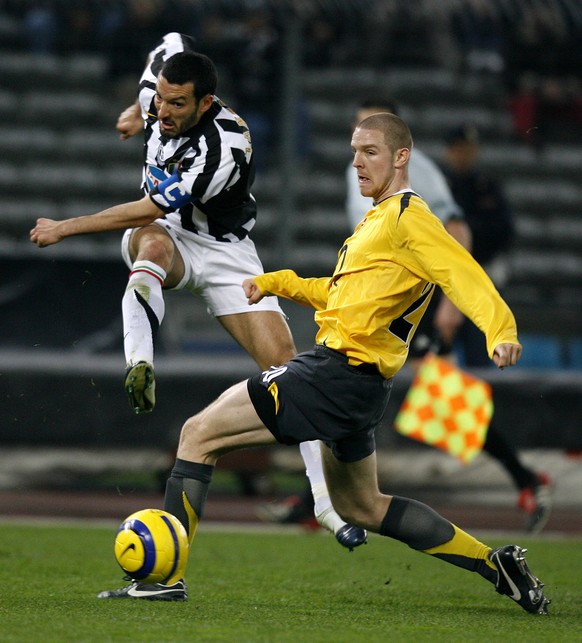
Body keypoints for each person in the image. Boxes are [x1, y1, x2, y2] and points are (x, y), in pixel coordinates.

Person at [96, 112, 550, 615]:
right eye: (354, 151)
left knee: (198, 435)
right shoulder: (378, 221)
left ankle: (165, 578)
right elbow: (340, 294)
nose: (357, 162)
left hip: (332, 374)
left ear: (403, 158)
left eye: (371, 151)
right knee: (364, 506)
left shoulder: (408, 218)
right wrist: (276, 283)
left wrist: (500, 329)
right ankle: (495, 563)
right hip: (358, 387)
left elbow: (462, 271)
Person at [29, 32, 364, 550]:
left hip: (227, 253)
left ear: (206, 102)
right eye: (159, 98)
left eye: (177, 103)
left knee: (287, 369)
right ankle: (139, 363)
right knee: (152, 250)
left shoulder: (224, 145)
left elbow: (149, 204)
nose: (163, 111)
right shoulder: (160, 97)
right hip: (172, 238)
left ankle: (324, 503)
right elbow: (168, 40)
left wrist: (64, 226)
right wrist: (133, 109)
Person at [264, 99, 551, 535]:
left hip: (404, 302)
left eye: (371, 131)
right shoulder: (358, 172)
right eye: (357, 129)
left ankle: (524, 478)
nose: (360, 143)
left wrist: (452, 308)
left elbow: (455, 232)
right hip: (374, 296)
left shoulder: (420, 177)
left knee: (430, 397)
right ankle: (320, 499)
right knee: (391, 392)